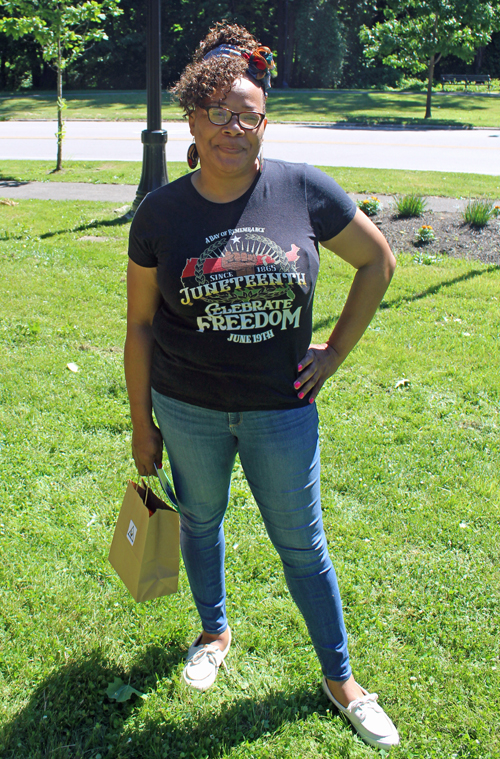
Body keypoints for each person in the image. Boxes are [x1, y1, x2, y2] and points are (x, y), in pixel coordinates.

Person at [124, 22, 399, 750]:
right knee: (202, 521)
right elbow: (142, 326)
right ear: (192, 121)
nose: (233, 128)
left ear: (265, 121)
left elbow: (377, 264)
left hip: (284, 409)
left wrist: (334, 354)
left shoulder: (302, 190)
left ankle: (342, 680)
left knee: (302, 546)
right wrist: (142, 424)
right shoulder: (161, 213)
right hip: (187, 409)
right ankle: (214, 630)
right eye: (217, 114)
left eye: (247, 113)